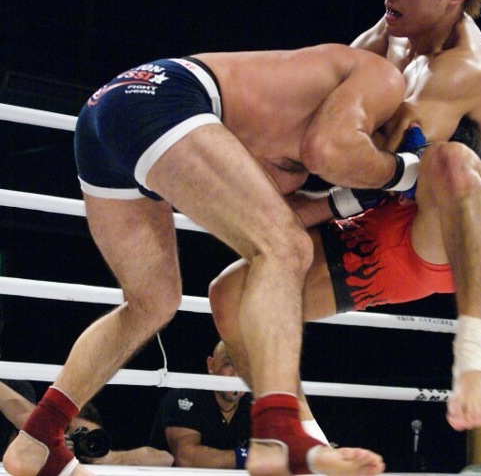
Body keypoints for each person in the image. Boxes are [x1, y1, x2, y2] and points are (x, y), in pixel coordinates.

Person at [4, 42, 420, 476]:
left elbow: (265, 211)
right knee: (288, 247)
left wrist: (350, 198)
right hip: (165, 99)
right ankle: (279, 432)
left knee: (152, 302)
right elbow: (328, 154)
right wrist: (404, 171)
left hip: (112, 112)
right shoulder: (372, 83)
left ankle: (39, 437)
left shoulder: (300, 123)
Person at [209, 0, 481, 438]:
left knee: (449, 159)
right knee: (231, 297)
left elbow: (374, 153)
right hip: (386, 210)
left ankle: (474, 355)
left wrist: (316, 183)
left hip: (459, 230)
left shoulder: (464, 68)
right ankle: (304, 445)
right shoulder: (387, 36)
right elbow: (330, 126)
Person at [0, 381, 173, 467]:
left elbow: (166, 459)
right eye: (73, 433)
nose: (80, 441)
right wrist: (52, 447)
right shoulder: (35, 443)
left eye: (87, 436)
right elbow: (27, 426)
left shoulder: (97, 461)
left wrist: (110, 458)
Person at [149, 340, 252, 468]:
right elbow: (186, 458)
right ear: (211, 365)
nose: (237, 374)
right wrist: (247, 457)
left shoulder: (253, 403)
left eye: (245, 365)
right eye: (229, 364)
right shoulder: (186, 396)